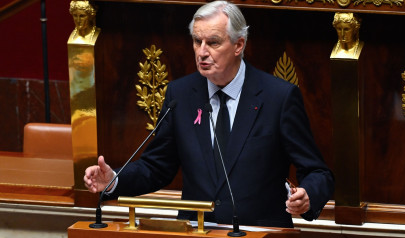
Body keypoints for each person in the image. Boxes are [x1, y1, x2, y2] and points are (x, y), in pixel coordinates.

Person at [84, 0, 334, 228]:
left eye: (213, 42)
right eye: (196, 41)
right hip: (197, 230)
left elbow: (317, 171)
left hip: (259, 231)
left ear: (238, 45)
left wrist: (308, 195)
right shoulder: (180, 95)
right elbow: (157, 166)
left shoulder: (278, 97)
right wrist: (114, 180)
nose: (202, 52)